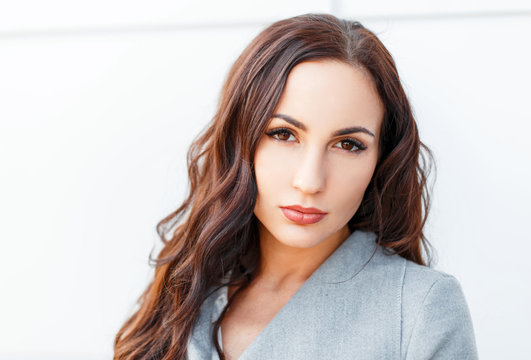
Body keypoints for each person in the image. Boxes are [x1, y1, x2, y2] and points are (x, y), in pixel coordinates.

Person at [114, 13, 478, 360]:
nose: (309, 181)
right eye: (283, 134)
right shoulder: (185, 292)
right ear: (239, 141)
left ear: (381, 160)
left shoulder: (418, 308)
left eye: (348, 144)